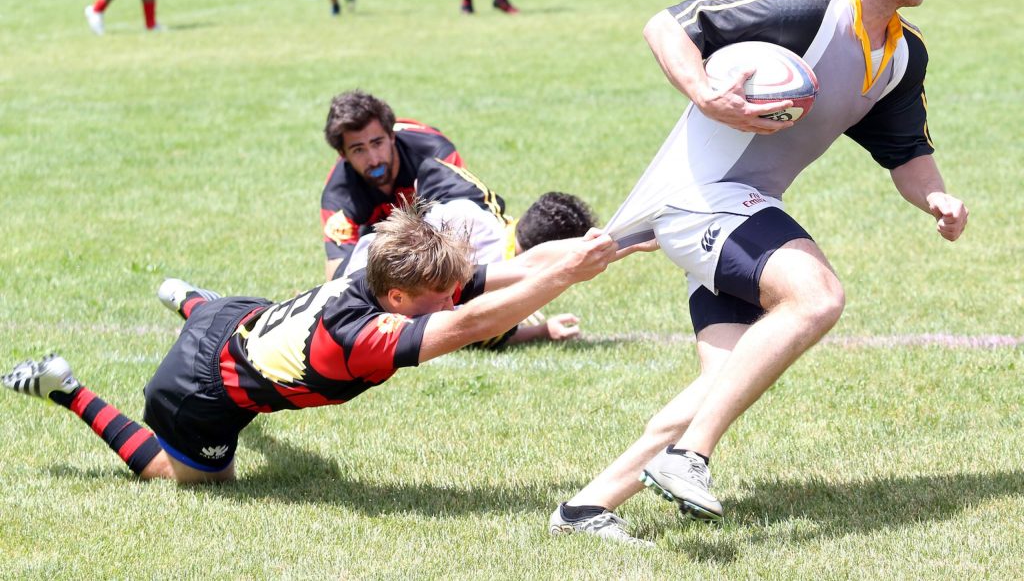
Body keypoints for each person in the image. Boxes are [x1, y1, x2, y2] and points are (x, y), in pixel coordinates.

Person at [549, 0, 968, 545]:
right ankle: (689, 460)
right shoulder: (809, 6)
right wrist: (707, 96)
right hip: (698, 198)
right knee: (818, 296)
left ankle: (583, 509)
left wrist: (936, 197)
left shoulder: (901, 54)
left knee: (723, 382)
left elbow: (906, 151)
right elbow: (668, 24)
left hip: (738, 210)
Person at [3, 201, 654, 483]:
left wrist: (613, 244)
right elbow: (477, 324)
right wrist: (569, 273)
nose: (456, 296)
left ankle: (189, 302)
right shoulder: (367, 337)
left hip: (236, 319)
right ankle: (66, 387)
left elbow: (510, 272)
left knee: (242, 319)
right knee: (197, 476)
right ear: (401, 301)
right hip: (202, 389)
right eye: (442, 295)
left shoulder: (381, 270)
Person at [340, 157, 599, 347]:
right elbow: (476, 331)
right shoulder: (494, 294)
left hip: (355, 267)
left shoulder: (472, 208)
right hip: (369, 306)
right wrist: (539, 328)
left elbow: (431, 168)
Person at [321, 90, 464, 281]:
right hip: (377, 235)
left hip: (438, 224)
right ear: (343, 154)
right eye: (358, 150)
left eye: (377, 143)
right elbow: (337, 276)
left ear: (391, 136)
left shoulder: (438, 156)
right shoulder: (338, 197)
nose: (373, 160)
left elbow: (465, 230)